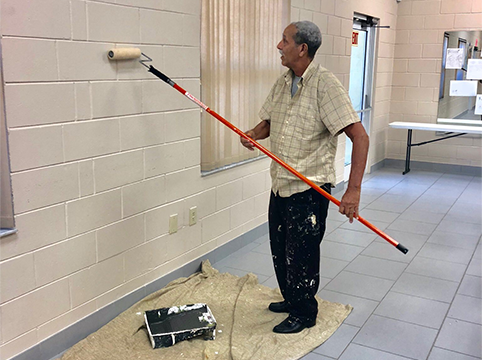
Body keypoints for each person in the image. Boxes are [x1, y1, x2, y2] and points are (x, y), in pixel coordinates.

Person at [240, 21, 369, 334]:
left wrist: (352, 191)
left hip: (309, 189)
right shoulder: (285, 81)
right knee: (280, 248)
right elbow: (270, 122)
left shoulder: (325, 85)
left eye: (284, 40)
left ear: (302, 48)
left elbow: (360, 137)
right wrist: (253, 134)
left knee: (302, 255)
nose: (278, 46)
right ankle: (291, 298)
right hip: (281, 184)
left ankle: (305, 312)